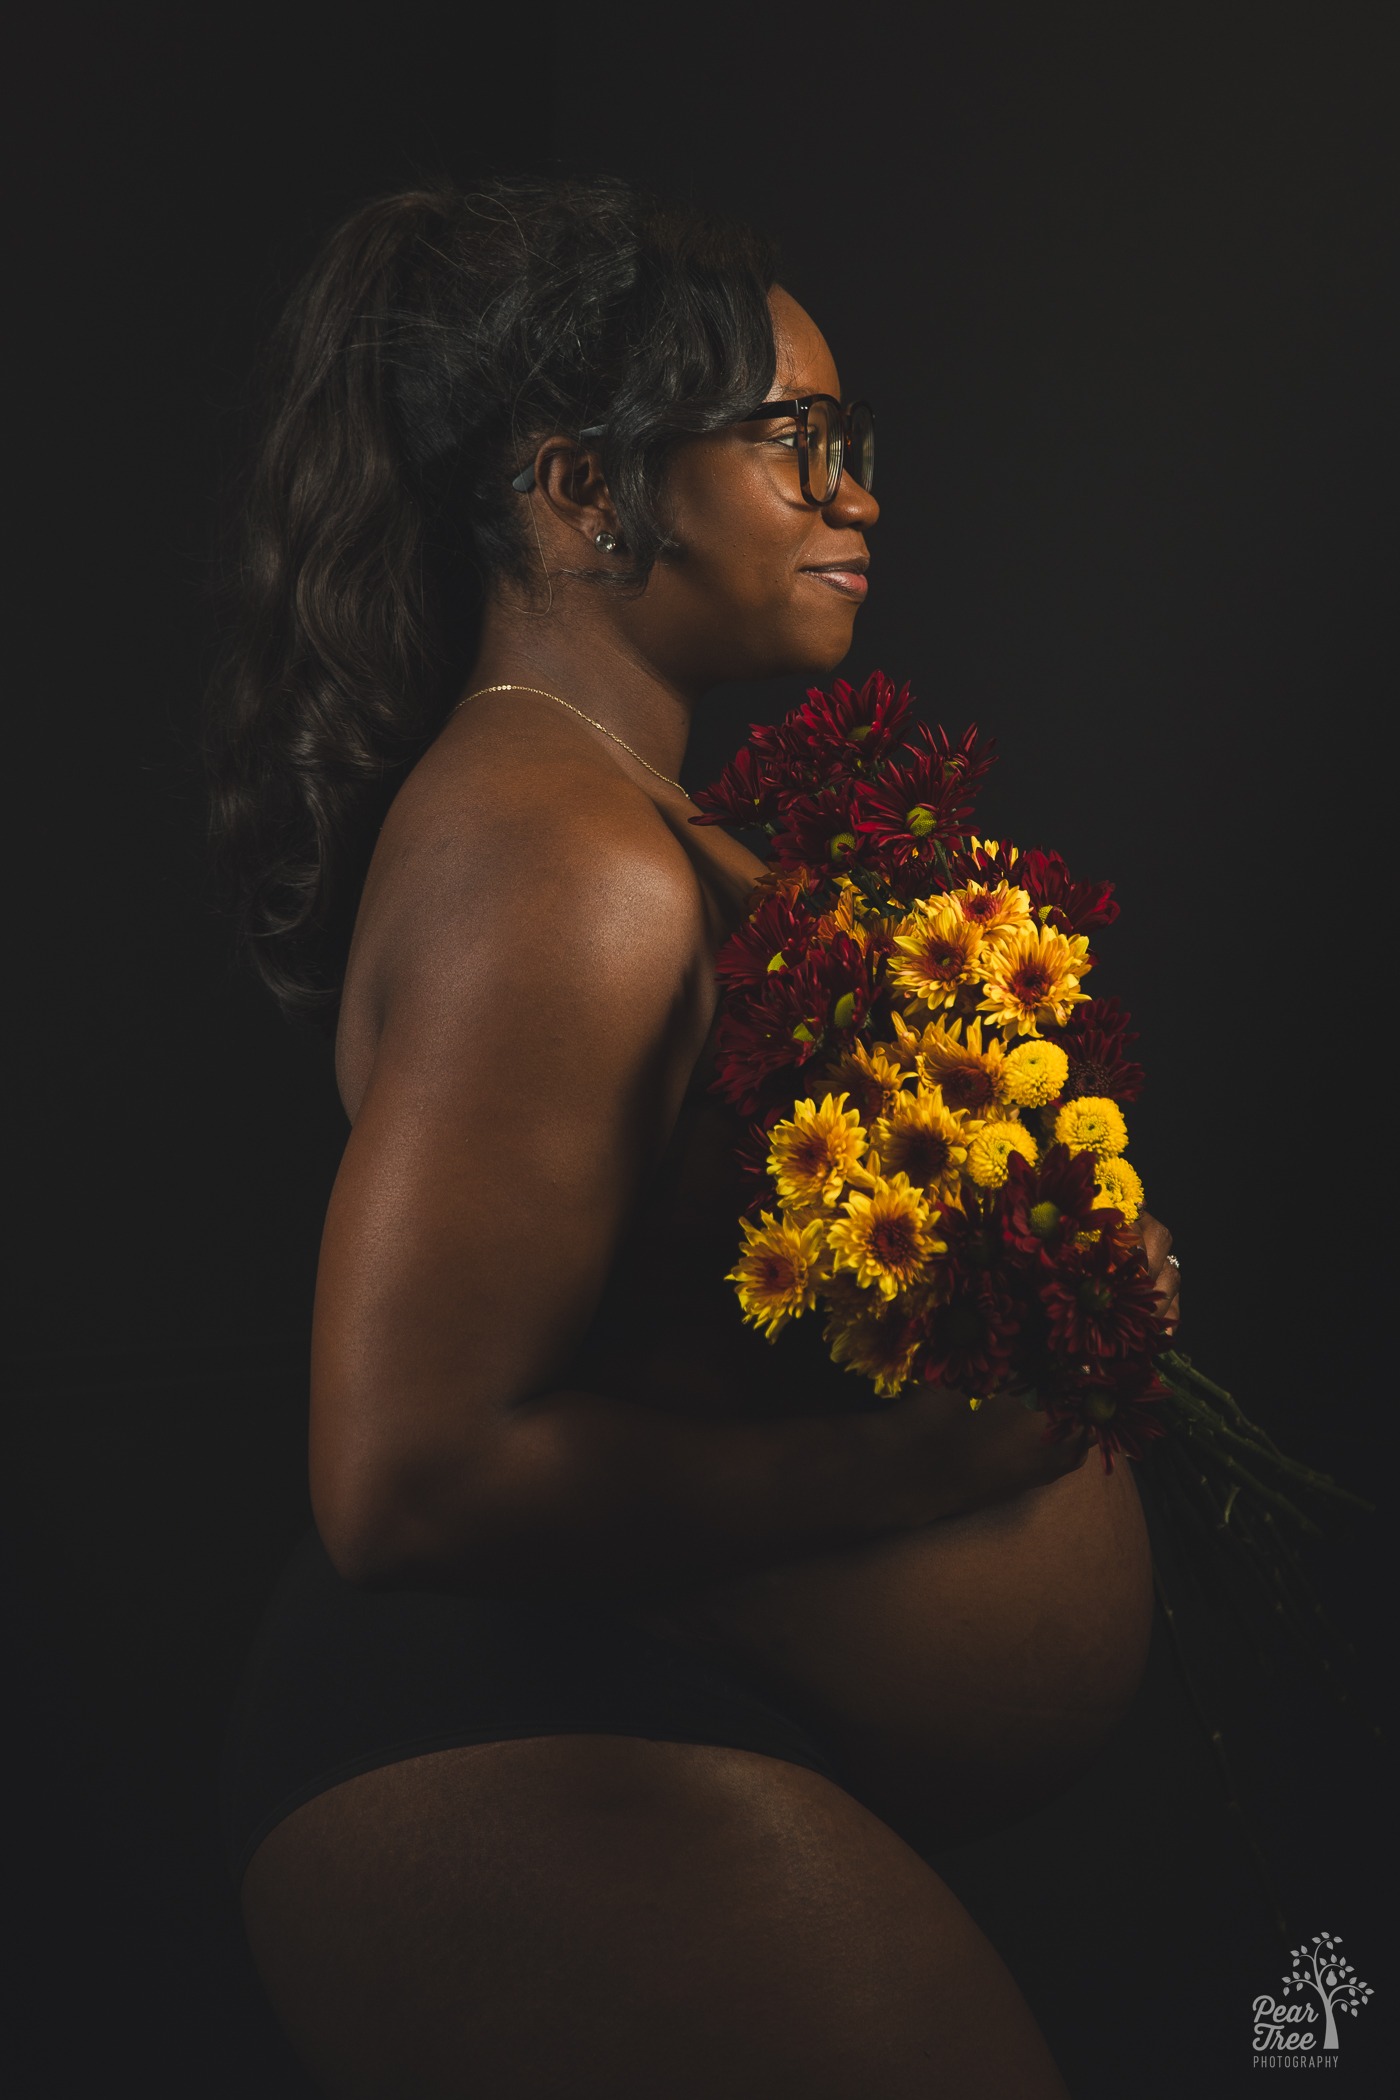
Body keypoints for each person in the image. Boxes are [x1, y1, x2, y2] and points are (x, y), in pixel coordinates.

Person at [208, 174, 1180, 2098]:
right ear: (583, 492)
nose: (858, 493)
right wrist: (926, 1464)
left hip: (644, 1723)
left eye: (857, 442)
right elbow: (401, 1477)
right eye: (795, 439)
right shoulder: (553, 858)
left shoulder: (620, 815)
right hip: (509, 1748)